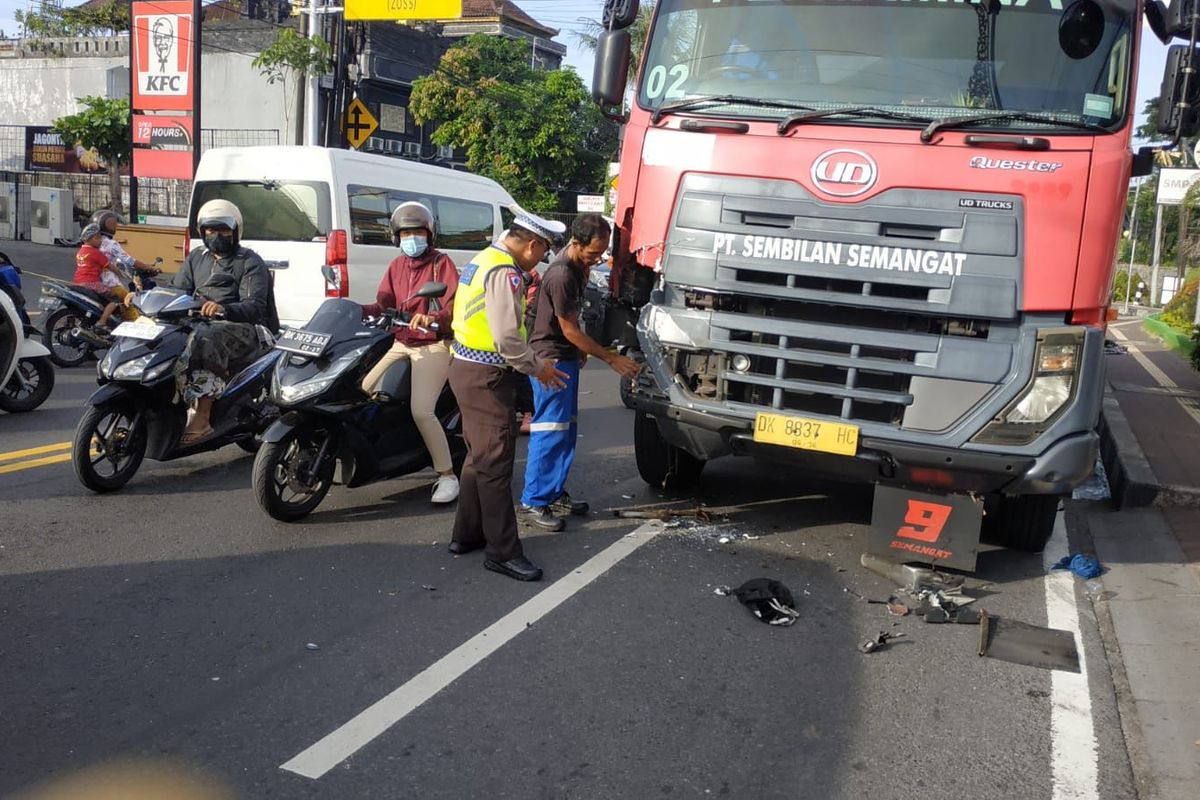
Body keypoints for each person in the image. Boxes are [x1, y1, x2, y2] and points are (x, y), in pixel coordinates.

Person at [447, 207, 569, 582]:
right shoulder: (505, 271)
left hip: (465, 368)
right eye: (541, 252)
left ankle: (466, 535)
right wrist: (538, 367)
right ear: (532, 244)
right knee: (496, 463)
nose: (539, 261)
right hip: (486, 375)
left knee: (478, 457)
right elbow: (507, 339)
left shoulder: (483, 259)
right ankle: (502, 552)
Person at [520, 214, 641, 528]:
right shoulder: (561, 275)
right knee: (549, 430)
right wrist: (609, 358)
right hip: (550, 360)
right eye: (592, 253)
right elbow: (570, 329)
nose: (596, 259)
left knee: (565, 430)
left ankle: (553, 491)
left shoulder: (578, 267)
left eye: (601, 253)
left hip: (566, 356)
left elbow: (575, 330)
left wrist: (580, 353)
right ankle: (534, 502)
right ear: (576, 242)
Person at [359, 202, 461, 504]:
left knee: (422, 410)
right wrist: (353, 310)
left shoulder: (441, 264)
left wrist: (433, 318)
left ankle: (446, 475)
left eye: (417, 232)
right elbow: (382, 304)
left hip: (432, 344)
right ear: (396, 236)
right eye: (405, 233)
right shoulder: (396, 266)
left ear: (429, 235)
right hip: (401, 341)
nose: (411, 238)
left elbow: (453, 306)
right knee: (363, 388)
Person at [172, 199, 277, 445]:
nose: (217, 235)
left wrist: (223, 308)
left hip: (248, 330)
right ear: (202, 231)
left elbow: (254, 306)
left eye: (224, 229)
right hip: (199, 322)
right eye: (211, 229)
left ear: (236, 230)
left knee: (207, 337)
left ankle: (203, 417)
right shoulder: (196, 257)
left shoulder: (249, 261)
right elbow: (177, 291)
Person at [73, 223, 124, 329]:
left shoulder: (80, 252)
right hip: (92, 283)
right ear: (91, 239)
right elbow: (110, 266)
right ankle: (102, 321)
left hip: (78, 283)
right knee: (116, 299)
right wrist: (121, 273)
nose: (100, 240)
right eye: (98, 238)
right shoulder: (96, 253)